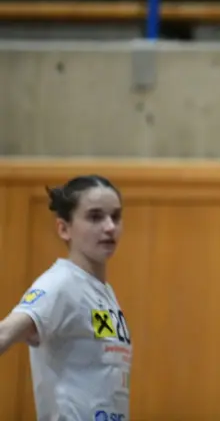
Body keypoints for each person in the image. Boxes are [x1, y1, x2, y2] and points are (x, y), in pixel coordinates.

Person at [0, 175, 131, 421]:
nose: (110, 227)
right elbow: (4, 333)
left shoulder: (101, 292)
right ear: (64, 229)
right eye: (95, 217)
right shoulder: (61, 284)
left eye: (115, 216)